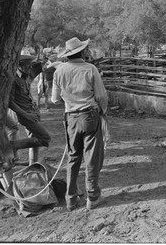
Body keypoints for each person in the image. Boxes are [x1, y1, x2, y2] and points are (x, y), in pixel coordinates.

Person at [51, 37, 109, 211]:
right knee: (92, 157)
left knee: (73, 157)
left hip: (71, 118)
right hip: (90, 115)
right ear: (82, 52)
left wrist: (70, 101)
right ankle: (92, 196)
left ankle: (71, 199)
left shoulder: (59, 71)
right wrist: (103, 112)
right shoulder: (90, 69)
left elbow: (54, 99)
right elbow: (101, 96)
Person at [8, 52, 51, 165]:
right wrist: (25, 115)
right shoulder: (14, 80)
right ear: (20, 65)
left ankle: (33, 165)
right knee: (45, 138)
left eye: (31, 65)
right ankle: (14, 145)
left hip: (33, 112)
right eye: (27, 65)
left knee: (34, 139)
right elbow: (10, 102)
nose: (30, 67)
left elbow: (41, 65)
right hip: (26, 115)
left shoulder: (27, 76)